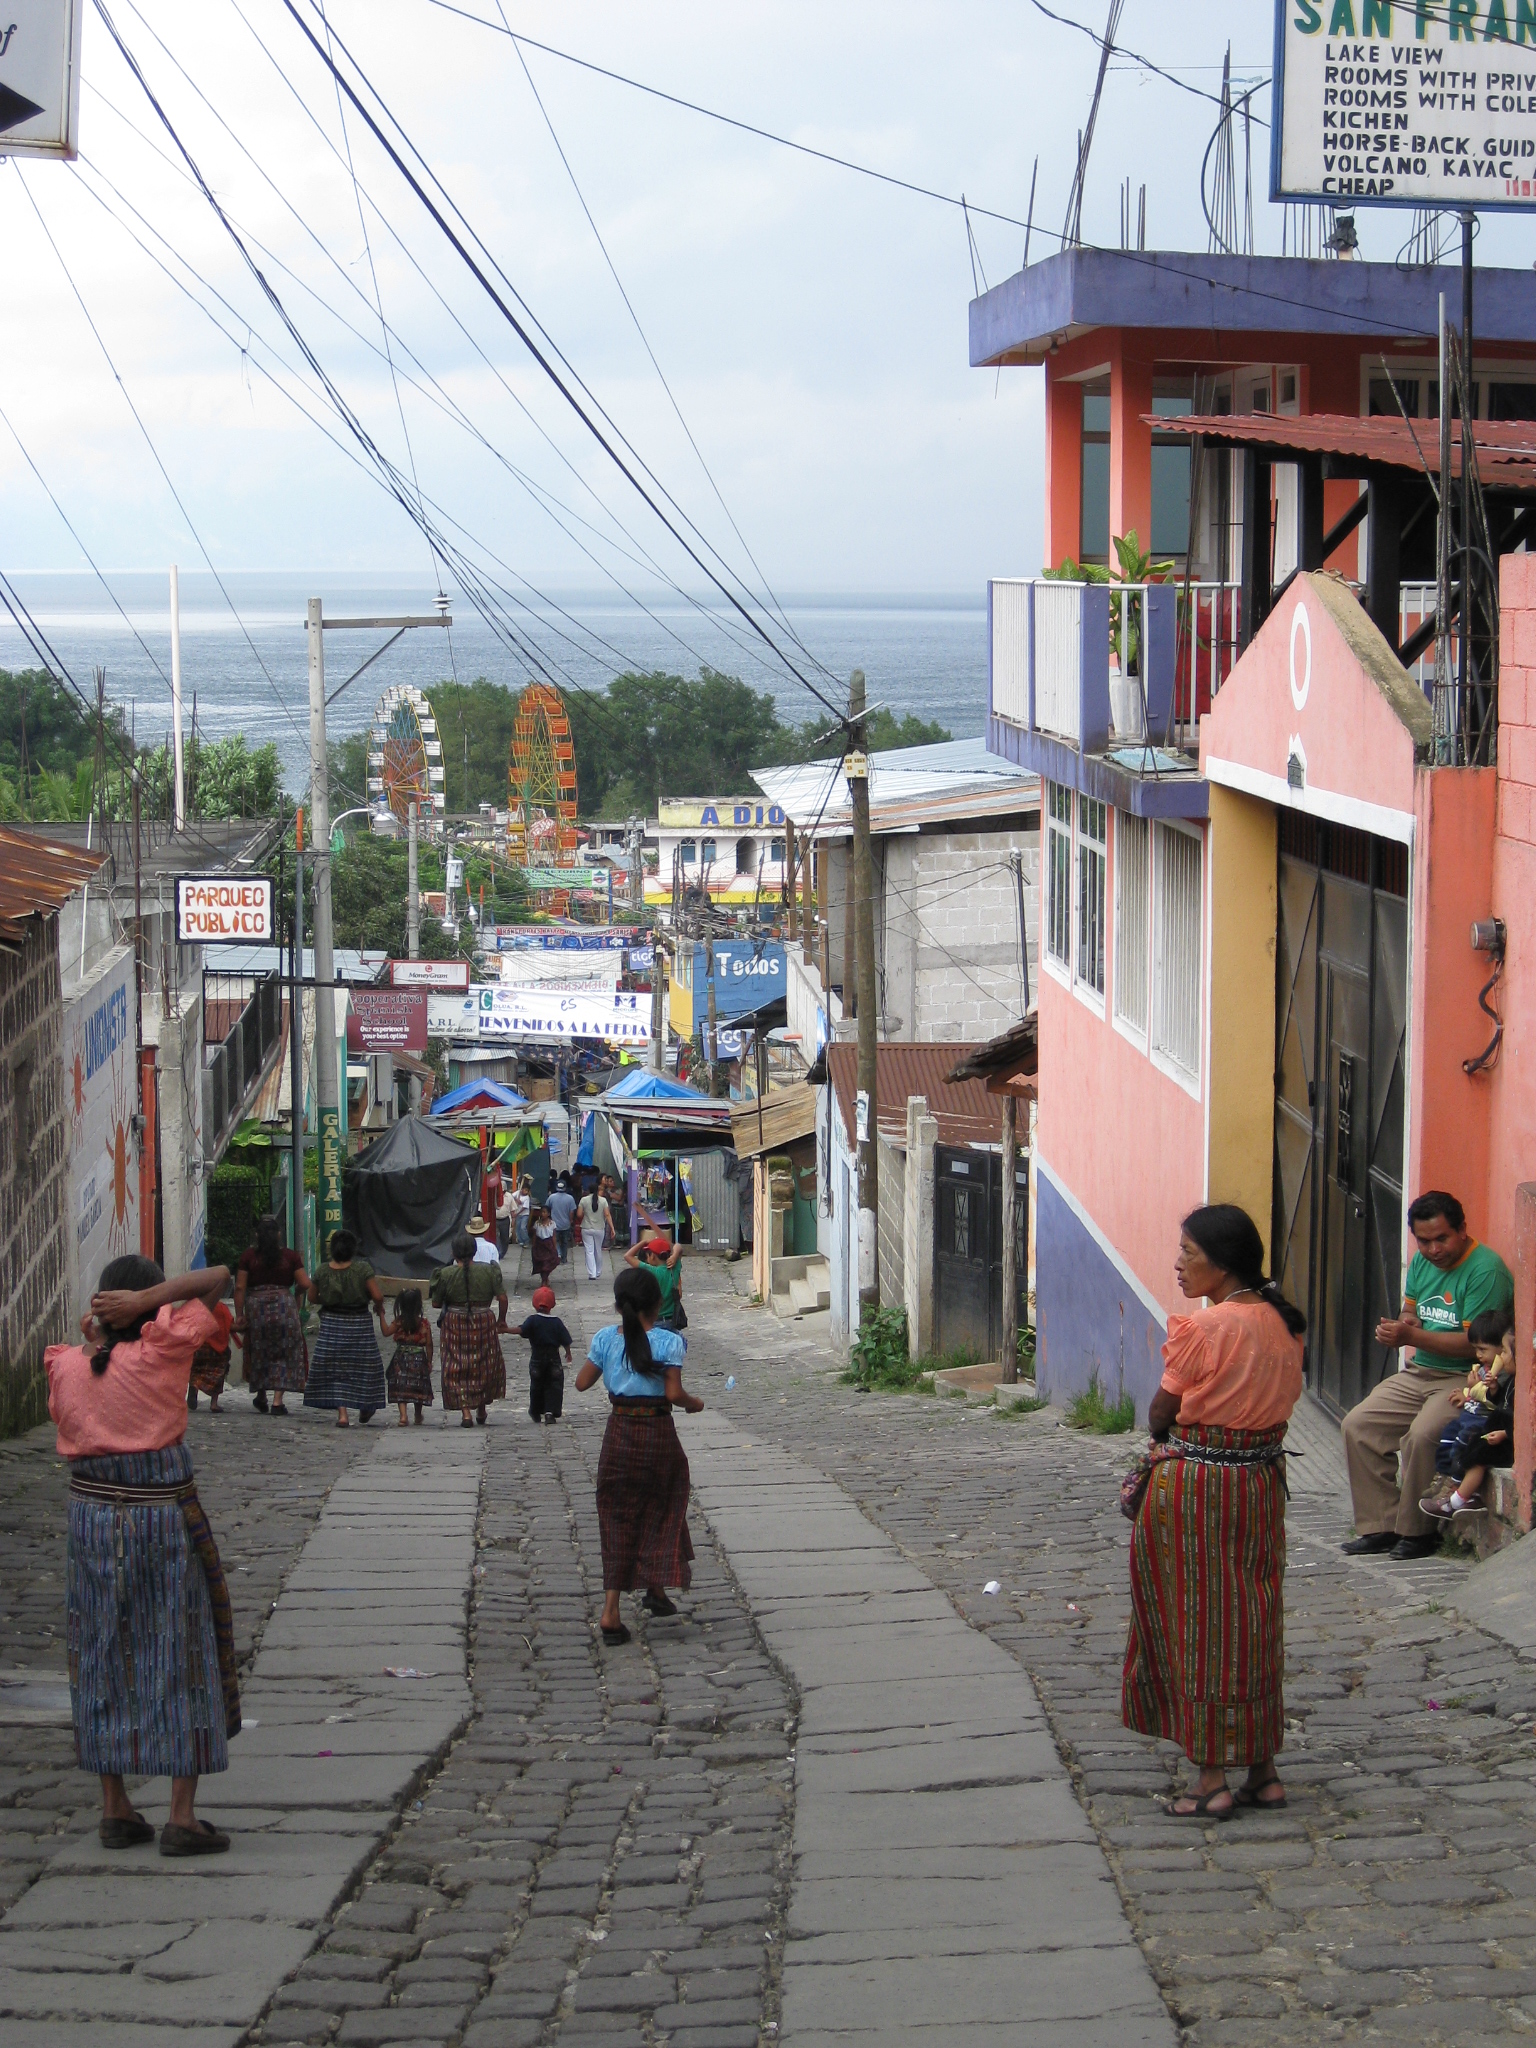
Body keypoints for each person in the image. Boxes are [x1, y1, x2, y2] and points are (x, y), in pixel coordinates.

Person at [46, 1255, 240, 1856]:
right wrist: (149, 1302)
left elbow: (90, 1368)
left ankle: (116, 1807)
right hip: (160, 1519)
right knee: (181, 1650)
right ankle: (181, 1816)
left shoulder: (65, 1365)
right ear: (147, 1306)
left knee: (98, 1651)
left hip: (90, 1522)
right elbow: (219, 1277)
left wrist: (109, 1324)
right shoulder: (162, 1349)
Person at [1122, 1204, 1305, 1822]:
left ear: (1221, 1263)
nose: (1178, 1263)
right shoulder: (1284, 1324)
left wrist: (1163, 1435)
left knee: (1199, 1620)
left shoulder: (1204, 1328)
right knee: (1252, 1616)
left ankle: (1211, 1779)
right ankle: (1263, 1771)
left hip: (1199, 1489)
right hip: (1259, 1486)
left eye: (1188, 1253)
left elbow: (1161, 1412)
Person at [1342, 1192, 1514, 1561]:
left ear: (1462, 1230)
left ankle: (1417, 1532)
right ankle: (1381, 1525)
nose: (1433, 1249)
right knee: (1358, 1425)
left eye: (1441, 1238)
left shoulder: (1486, 1271)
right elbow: (1411, 1311)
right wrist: (1402, 1325)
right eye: (1423, 1241)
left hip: (1467, 1378)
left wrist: (1410, 1336)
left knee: (1423, 1434)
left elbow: (1475, 1346)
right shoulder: (1422, 1263)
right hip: (1420, 1371)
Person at [575, 1265, 704, 1645]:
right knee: (665, 1505)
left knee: (616, 1516)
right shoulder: (668, 1342)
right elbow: (673, 1394)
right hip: (657, 1435)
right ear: (658, 1303)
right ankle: (656, 1584)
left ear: (619, 1306)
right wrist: (694, 1403)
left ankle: (613, 1609)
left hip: (619, 1434)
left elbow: (581, 1383)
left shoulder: (605, 1339)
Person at [1420, 1308, 1517, 1521]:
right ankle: (1444, 1476)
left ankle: (1454, 1495)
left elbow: (1509, 1414)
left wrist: (1503, 1433)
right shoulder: (1495, 1374)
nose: (1501, 1357)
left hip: (1493, 1431)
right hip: (1486, 1426)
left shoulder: (1509, 1380)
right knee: (1449, 1434)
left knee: (1471, 1448)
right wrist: (1468, 1394)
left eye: (1504, 1352)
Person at [303, 1230, 386, 1429]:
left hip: (332, 1323)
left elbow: (312, 1297)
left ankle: (342, 1415)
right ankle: (366, 1405)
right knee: (366, 1366)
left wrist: (328, 1300)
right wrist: (378, 1307)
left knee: (336, 1369)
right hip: (359, 1324)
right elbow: (377, 1295)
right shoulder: (362, 1269)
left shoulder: (322, 1271)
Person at [431, 1229, 509, 1427]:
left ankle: (466, 1412)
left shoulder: (445, 1274)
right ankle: (481, 1407)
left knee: (456, 1365)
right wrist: (501, 1320)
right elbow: (502, 1298)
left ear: (453, 1253)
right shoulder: (489, 1271)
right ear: (474, 1251)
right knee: (484, 1364)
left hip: (454, 1323)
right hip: (484, 1320)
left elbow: (436, 1303)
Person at [233, 1215, 309, 1416]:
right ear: (279, 1235)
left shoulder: (248, 1257)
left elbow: (240, 1287)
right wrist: (295, 1294)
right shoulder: (290, 1257)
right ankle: (277, 1401)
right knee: (285, 1351)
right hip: (285, 1307)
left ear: (257, 1235)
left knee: (259, 1351)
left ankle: (261, 1394)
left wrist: (239, 1314)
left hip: (256, 1309)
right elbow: (304, 1283)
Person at [517, 1285, 573, 1423]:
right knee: (554, 1385)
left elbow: (521, 1330)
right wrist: (568, 1353)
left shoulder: (532, 1320)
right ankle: (550, 1412)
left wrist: (505, 1329)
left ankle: (535, 1411)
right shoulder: (556, 1322)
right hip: (553, 1358)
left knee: (536, 1385)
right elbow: (565, 1340)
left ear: (534, 1303)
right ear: (552, 1304)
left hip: (537, 1357)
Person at [384, 1287, 435, 1426]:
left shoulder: (399, 1322)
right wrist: (429, 1361)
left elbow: (386, 1332)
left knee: (401, 1386)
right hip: (419, 1358)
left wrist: (381, 1315)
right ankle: (417, 1415)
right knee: (418, 1387)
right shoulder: (424, 1323)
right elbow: (429, 1344)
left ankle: (403, 1416)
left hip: (401, 1357)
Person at [626, 1233, 685, 1331]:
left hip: (655, 1320)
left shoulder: (651, 1270)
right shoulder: (675, 1268)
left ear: (652, 1256)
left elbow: (628, 1256)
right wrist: (674, 1256)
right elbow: (678, 1246)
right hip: (672, 1319)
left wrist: (643, 1242)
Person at [186, 1315, 231, 1414]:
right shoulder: (222, 1310)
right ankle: (214, 1404)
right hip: (218, 1350)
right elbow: (230, 1326)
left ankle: (195, 1386)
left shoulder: (199, 1310)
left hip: (200, 1346)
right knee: (220, 1371)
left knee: (195, 1370)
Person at [577, 1184, 614, 1282]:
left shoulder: (583, 1200)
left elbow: (579, 1214)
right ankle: (598, 1271)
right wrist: (612, 1228)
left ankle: (591, 1273)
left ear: (588, 1190)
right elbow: (607, 1214)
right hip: (599, 1228)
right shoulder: (603, 1200)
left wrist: (586, 1213)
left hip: (586, 1228)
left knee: (589, 1251)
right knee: (598, 1250)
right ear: (597, 1190)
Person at [481, 1149, 508, 1257]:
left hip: (504, 1219)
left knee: (504, 1238)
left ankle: (502, 1252)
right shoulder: (489, 1247)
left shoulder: (509, 1196)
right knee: (498, 1237)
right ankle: (500, 1252)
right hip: (497, 1219)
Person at [530, 1205, 561, 1286]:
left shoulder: (552, 1224)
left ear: (548, 1214)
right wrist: (533, 1246)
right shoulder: (537, 1223)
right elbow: (534, 1236)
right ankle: (544, 1279)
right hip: (539, 1245)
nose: (542, 1214)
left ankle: (544, 1279)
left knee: (547, 1263)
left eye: (544, 1212)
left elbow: (554, 1236)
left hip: (548, 1245)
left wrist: (555, 1247)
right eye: (541, 1212)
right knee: (541, 1263)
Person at [549, 1181, 577, 1264]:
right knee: (565, 1242)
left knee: (555, 1241)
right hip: (566, 1224)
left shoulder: (551, 1197)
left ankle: (558, 1254)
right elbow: (571, 1212)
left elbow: (547, 1208)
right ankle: (564, 1258)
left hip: (554, 1224)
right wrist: (570, 1220)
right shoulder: (570, 1198)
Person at [513, 1176, 532, 1247]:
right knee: (517, 1228)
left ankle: (526, 1240)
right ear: (522, 1189)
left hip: (524, 1215)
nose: (526, 1192)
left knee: (522, 1228)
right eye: (525, 1190)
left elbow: (524, 1208)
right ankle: (520, 1241)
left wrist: (517, 1213)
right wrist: (516, 1200)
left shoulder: (527, 1198)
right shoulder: (518, 1193)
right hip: (518, 1215)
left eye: (527, 1190)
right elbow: (511, 1196)